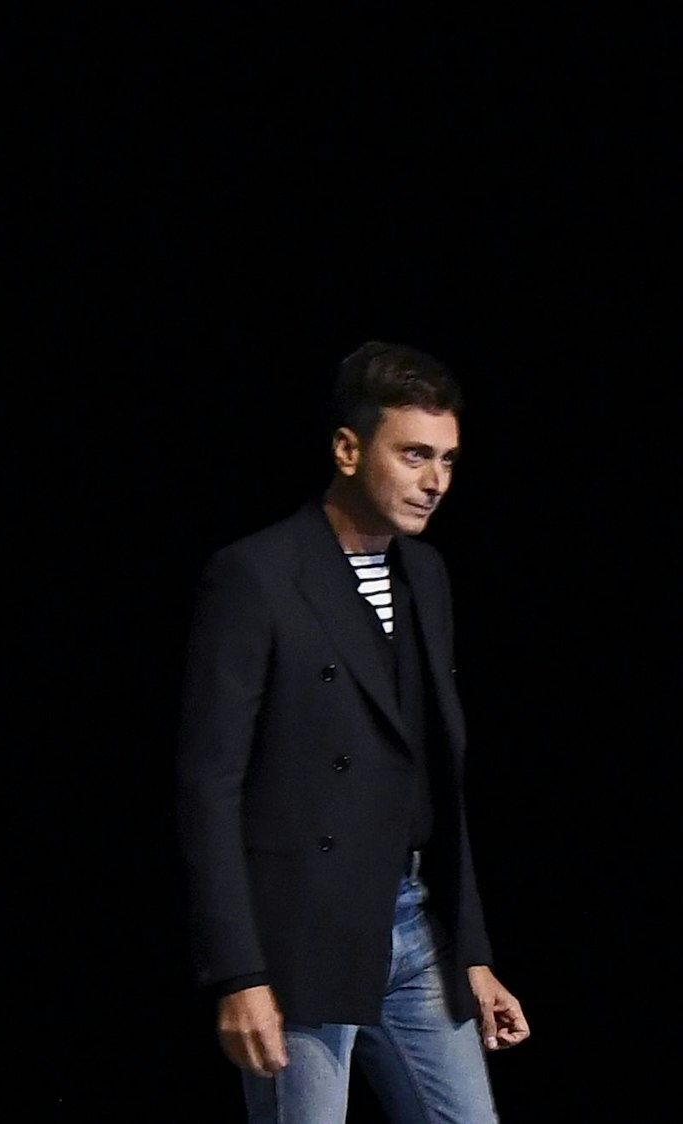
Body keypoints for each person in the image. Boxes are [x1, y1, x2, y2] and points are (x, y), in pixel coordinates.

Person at [175, 341, 530, 1122]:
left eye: (446, 459)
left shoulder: (426, 576)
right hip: (297, 936)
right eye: (412, 455)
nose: (434, 481)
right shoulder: (256, 576)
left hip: (410, 920)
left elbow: (440, 777)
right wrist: (237, 972)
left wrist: (472, 951)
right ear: (347, 448)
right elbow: (208, 786)